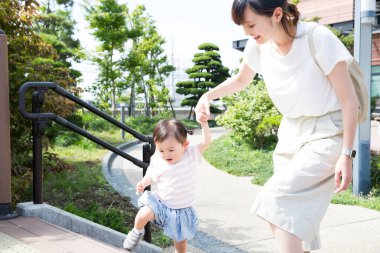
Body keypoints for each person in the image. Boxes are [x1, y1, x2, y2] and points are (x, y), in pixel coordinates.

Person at [195, 1, 358, 252]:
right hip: (291, 135)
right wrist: (208, 96)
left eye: (251, 24)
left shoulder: (317, 37)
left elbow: (349, 100)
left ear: (277, 14)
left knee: (274, 201)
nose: (248, 32)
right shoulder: (258, 46)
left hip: (327, 133)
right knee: (286, 216)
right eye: (243, 27)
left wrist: (346, 154)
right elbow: (241, 80)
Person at [123, 117, 211, 253]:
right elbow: (151, 174)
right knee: (142, 214)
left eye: (171, 150)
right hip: (161, 203)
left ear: (184, 145)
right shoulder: (158, 160)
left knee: (180, 246)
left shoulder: (190, 154)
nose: (166, 155)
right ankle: (136, 232)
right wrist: (143, 183)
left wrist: (204, 124)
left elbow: (206, 142)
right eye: (161, 150)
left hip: (181, 210)